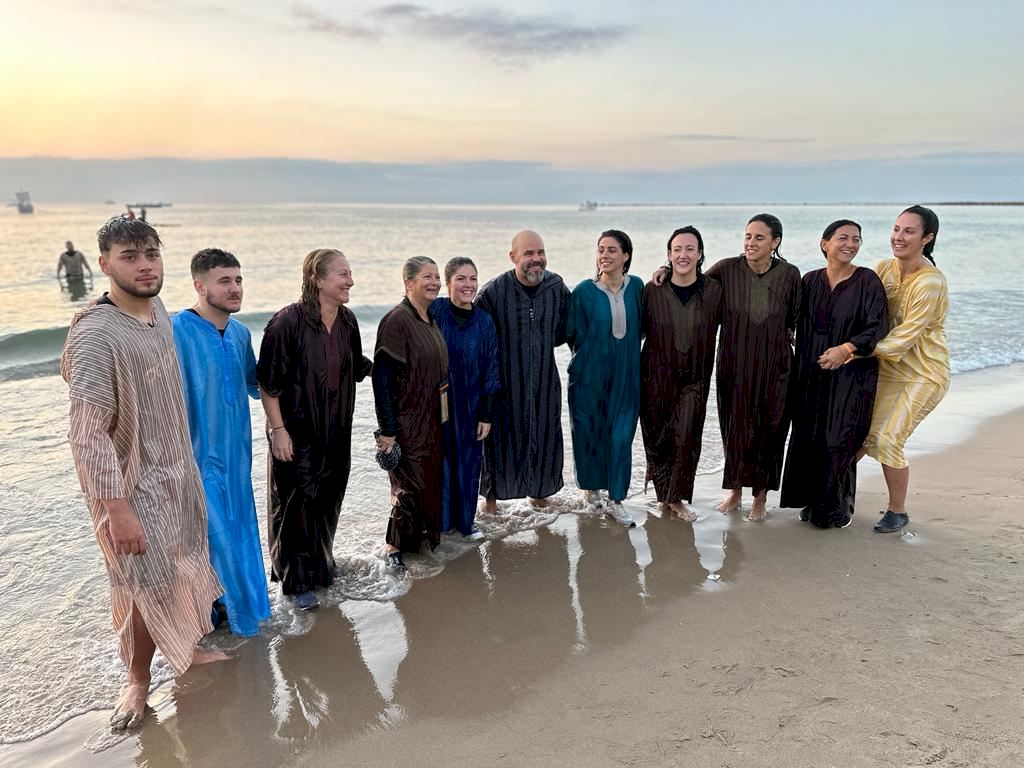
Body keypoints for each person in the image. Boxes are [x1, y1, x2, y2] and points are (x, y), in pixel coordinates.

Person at [60, 215, 225, 732]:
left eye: (151, 254)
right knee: (141, 584)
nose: (145, 266)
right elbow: (86, 432)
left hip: (176, 472)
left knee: (181, 568)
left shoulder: (158, 312)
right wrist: (117, 508)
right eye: (129, 257)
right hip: (130, 487)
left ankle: (186, 648)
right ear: (104, 264)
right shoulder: (96, 334)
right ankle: (136, 681)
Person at [257, 248, 371, 610]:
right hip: (297, 433)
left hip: (337, 430)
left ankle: (321, 568)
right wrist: (278, 430)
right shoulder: (287, 322)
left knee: (328, 499)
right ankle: (295, 583)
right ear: (317, 279)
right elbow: (268, 383)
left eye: (350, 273)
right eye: (342, 274)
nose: (350, 281)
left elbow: (356, 366)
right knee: (296, 504)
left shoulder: (348, 320)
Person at [173, 248, 271, 634]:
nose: (235, 288)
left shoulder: (241, 333)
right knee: (213, 538)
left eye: (239, 280)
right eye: (224, 281)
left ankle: (228, 611)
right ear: (199, 286)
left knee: (239, 531)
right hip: (194, 456)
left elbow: (256, 384)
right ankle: (225, 617)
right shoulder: (175, 330)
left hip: (237, 456)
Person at [780, 221, 889, 528]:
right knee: (810, 435)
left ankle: (836, 507)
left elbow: (878, 326)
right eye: (843, 238)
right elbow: (787, 314)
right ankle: (812, 501)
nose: (850, 244)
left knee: (839, 438)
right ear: (824, 243)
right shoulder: (809, 280)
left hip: (852, 375)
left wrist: (847, 348)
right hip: (811, 373)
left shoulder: (867, 280)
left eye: (856, 239)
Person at [860, 206, 949, 533]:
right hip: (885, 369)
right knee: (857, 432)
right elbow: (860, 309)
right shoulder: (882, 268)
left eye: (909, 231)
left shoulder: (930, 282)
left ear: (927, 238)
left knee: (887, 439)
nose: (898, 236)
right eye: (896, 229)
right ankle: (832, 497)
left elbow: (905, 336)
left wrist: (852, 351)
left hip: (923, 373)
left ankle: (897, 511)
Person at [476, 230, 571, 512]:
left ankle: (540, 499)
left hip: (544, 382)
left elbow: (568, 330)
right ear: (513, 256)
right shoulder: (493, 293)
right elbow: (475, 337)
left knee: (544, 439)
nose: (536, 259)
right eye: (529, 253)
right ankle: (491, 507)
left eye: (541, 252)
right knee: (497, 445)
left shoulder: (556, 287)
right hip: (504, 385)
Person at [640, 226, 723, 522]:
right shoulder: (652, 290)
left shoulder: (714, 290)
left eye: (690, 249)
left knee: (686, 435)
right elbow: (636, 332)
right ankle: (663, 496)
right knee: (658, 438)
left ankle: (675, 498)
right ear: (669, 254)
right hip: (654, 377)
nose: (683, 255)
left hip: (695, 379)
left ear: (700, 254)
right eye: (677, 249)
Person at [373, 256, 449, 571]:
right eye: (427, 277)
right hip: (406, 421)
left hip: (432, 418)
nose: (435, 282)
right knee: (408, 488)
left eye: (437, 277)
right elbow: (382, 379)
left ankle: (418, 545)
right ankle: (393, 549)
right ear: (408, 283)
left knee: (428, 483)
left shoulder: (429, 318)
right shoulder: (397, 321)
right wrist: (388, 431)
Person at [566, 230, 643, 526]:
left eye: (612, 250)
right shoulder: (583, 291)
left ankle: (616, 500)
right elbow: (571, 333)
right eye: (601, 249)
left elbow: (644, 326)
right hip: (589, 375)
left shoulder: (637, 287)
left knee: (621, 437)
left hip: (627, 375)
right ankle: (592, 490)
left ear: (626, 256)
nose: (604, 255)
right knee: (589, 435)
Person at [430, 257, 500, 541]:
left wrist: (486, 414)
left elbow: (491, 369)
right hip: (437, 404)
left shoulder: (484, 321)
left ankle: (465, 524)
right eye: (461, 279)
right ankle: (440, 526)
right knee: (440, 466)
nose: (468, 285)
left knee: (469, 465)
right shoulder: (435, 311)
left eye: (473, 278)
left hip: (471, 406)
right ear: (448, 283)